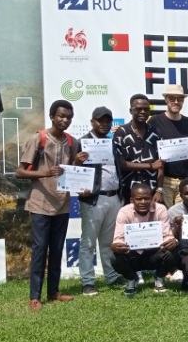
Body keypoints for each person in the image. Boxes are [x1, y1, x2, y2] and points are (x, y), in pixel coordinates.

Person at [15, 100, 81, 311]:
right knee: (40, 249)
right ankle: (35, 296)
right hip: (40, 204)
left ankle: (53, 291)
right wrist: (44, 172)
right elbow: (20, 171)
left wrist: (78, 163)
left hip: (62, 203)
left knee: (57, 249)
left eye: (69, 117)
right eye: (61, 116)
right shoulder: (39, 138)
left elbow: (71, 172)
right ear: (52, 116)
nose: (65, 120)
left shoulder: (73, 142)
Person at [75, 106, 123, 296]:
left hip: (114, 197)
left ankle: (111, 276)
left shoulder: (112, 144)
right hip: (94, 199)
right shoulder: (82, 143)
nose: (104, 124)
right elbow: (71, 171)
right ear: (92, 122)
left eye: (107, 121)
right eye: (99, 120)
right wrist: (77, 163)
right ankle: (88, 281)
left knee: (108, 242)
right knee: (88, 243)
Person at [110, 183, 179, 296]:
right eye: (139, 199)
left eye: (147, 198)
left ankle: (159, 277)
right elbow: (119, 238)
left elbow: (167, 235)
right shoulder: (124, 212)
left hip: (154, 253)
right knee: (114, 257)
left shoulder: (160, 209)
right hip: (133, 254)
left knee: (174, 250)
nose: (143, 202)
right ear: (132, 200)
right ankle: (132, 280)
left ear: (152, 198)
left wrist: (173, 240)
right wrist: (116, 245)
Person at [148, 85, 188, 207]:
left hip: (184, 179)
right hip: (164, 180)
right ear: (166, 100)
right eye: (172, 98)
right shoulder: (154, 121)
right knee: (167, 218)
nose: (176, 102)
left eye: (180, 99)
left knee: (182, 218)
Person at [114, 94, 164, 205]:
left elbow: (161, 164)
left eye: (146, 109)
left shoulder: (156, 132)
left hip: (151, 190)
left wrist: (159, 190)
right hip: (128, 191)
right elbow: (121, 164)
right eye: (138, 109)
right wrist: (150, 166)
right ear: (131, 110)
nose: (143, 112)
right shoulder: (121, 132)